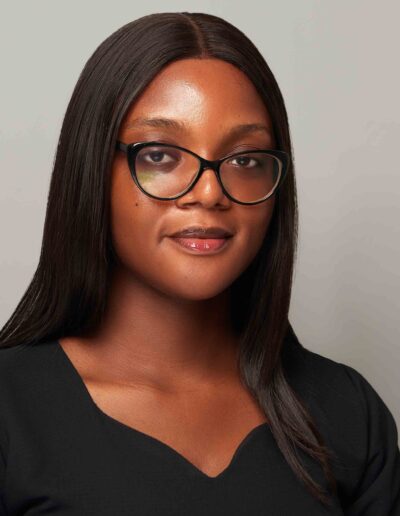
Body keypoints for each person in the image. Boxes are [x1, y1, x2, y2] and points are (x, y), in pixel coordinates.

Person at [0, 11, 399, 515]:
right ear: (92, 169)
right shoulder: (12, 410)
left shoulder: (348, 412)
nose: (210, 193)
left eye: (246, 160)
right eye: (161, 156)